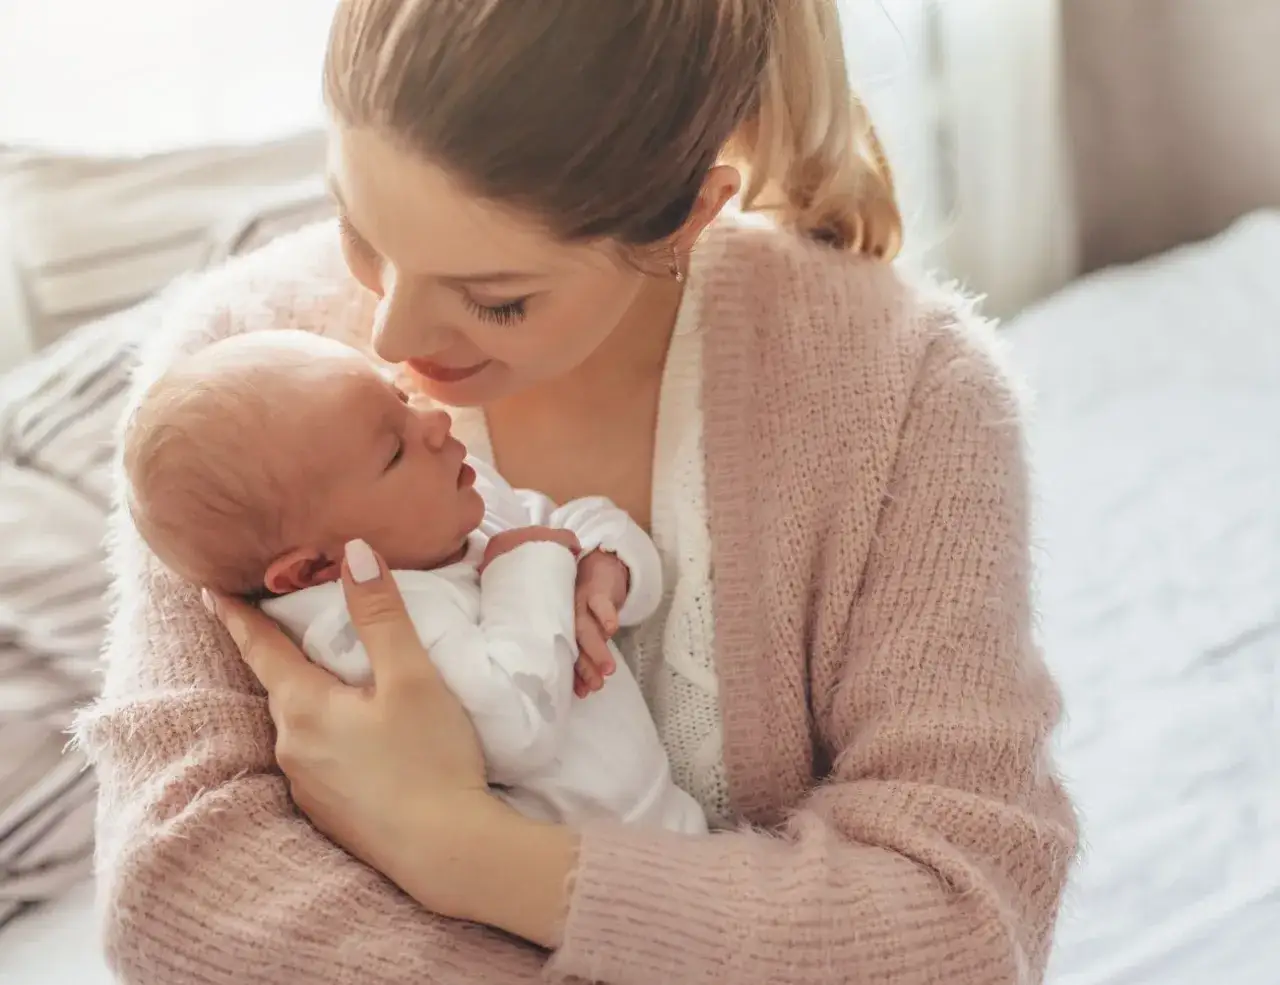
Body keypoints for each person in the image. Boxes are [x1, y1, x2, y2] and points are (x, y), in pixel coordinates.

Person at [76, 1, 1078, 983]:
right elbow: (176, 891)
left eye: (496, 298)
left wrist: (459, 852)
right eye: (359, 230)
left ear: (687, 217)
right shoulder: (236, 380)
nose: (391, 340)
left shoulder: (907, 394)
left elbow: (960, 924)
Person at [119, 329, 707, 833]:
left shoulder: (453, 509)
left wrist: (606, 566)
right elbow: (516, 730)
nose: (433, 420)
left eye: (399, 396)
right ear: (313, 570)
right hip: (580, 872)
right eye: (394, 451)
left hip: (669, 822)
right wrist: (530, 564)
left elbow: (574, 519)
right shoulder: (361, 630)